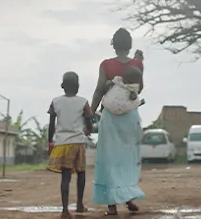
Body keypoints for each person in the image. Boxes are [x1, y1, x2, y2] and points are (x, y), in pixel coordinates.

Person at [91, 27, 145, 216]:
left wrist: (91, 111)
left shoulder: (105, 65)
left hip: (110, 117)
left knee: (108, 159)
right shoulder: (137, 64)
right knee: (128, 159)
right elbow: (139, 88)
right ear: (129, 45)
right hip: (129, 117)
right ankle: (129, 197)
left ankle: (111, 205)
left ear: (113, 45)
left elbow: (99, 90)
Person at [47, 71, 93, 219]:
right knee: (81, 173)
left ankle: (65, 210)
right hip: (78, 143)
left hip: (61, 143)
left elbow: (51, 124)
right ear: (77, 86)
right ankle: (79, 204)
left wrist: (50, 141)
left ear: (63, 86)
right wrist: (88, 130)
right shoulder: (83, 102)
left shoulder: (55, 102)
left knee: (65, 177)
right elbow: (89, 121)